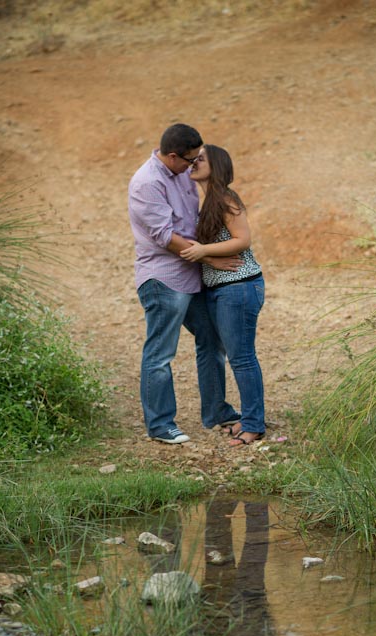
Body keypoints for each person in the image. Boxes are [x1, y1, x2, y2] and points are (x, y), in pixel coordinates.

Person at [128, 124, 241, 444]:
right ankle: (161, 424)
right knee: (161, 352)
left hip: (192, 276)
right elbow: (165, 237)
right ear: (174, 156)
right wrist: (209, 258)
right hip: (164, 278)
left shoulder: (181, 174)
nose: (194, 166)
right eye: (190, 161)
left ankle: (216, 412)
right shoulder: (146, 183)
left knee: (212, 338)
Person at [180, 145, 266, 447]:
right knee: (231, 354)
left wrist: (203, 250)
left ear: (214, 166)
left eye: (200, 159)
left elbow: (243, 240)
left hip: (239, 287)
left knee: (242, 358)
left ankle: (254, 425)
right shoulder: (207, 202)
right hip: (220, 290)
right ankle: (237, 416)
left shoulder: (227, 199)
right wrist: (207, 257)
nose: (193, 162)